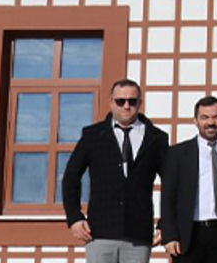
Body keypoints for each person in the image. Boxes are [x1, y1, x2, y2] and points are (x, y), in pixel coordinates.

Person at [63, 78, 169, 263]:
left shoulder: (157, 138)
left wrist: (165, 223)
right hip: (99, 232)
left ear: (140, 103)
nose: (126, 106)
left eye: (132, 101)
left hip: (139, 234)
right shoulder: (93, 135)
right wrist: (74, 217)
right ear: (111, 103)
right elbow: (71, 177)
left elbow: (171, 183)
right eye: (120, 101)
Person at [161, 96, 217, 263]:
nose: (211, 123)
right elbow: (168, 198)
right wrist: (169, 236)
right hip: (189, 233)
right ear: (195, 120)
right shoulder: (178, 154)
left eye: (216, 117)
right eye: (204, 117)